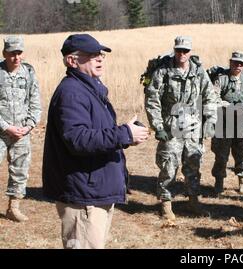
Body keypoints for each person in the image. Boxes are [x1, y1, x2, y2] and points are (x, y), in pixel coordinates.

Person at [42, 34, 149, 249]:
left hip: (93, 191)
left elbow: (95, 133)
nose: (99, 59)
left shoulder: (89, 89)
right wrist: (124, 134)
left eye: (100, 55)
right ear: (72, 61)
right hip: (83, 196)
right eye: (91, 55)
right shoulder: (72, 93)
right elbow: (78, 139)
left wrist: (125, 133)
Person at [144, 36, 218, 221]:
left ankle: (193, 201)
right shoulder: (163, 71)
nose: (182, 54)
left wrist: (209, 120)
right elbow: (152, 100)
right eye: (179, 50)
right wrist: (158, 126)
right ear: (174, 49)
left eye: (185, 51)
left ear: (190, 51)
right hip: (171, 126)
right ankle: (166, 202)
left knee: (193, 164)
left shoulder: (199, 71)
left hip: (194, 126)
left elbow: (209, 96)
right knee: (169, 166)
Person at [0, 36, 41, 222]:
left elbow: (35, 102)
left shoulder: (29, 73)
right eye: (12, 53)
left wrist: (29, 126)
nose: (16, 57)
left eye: (19, 53)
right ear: (4, 54)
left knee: (20, 170)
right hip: (1, 131)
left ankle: (13, 208)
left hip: (22, 132)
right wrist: (6, 127)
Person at [210, 51, 243, 196]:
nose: (238, 65)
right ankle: (219, 181)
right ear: (230, 62)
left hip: (241, 124)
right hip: (223, 124)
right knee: (221, 155)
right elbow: (213, 98)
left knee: (242, 153)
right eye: (235, 62)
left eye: (241, 63)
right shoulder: (221, 79)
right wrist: (229, 107)